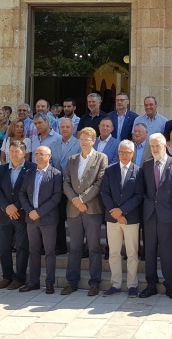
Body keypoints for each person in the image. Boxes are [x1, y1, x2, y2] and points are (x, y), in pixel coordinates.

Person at [62, 127, 108, 297]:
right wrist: (75, 199)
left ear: (93, 141)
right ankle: (71, 282)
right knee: (74, 248)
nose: (83, 142)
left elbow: (99, 182)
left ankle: (94, 282)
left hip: (92, 209)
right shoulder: (72, 159)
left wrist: (82, 200)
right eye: (81, 139)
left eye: (87, 139)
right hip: (73, 210)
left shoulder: (101, 158)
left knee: (94, 247)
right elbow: (66, 182)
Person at [139, 133, 172, 299]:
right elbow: (143, 190)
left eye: (157, 145)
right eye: (152, 146)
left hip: (168, 216)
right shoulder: (147, 165)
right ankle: (151, 285)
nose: (155, 149)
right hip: (150, 215)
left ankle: (170, 285)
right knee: (149, 251)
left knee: (167, 252)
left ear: (165, 146)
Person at [101, 139, 144, 297]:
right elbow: (104, 193)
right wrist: (115, 211)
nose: (124, 155)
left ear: (133, 154)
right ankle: (115, 284)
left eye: (127, 152)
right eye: (121, 152)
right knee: (113, 252)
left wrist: (122, 211)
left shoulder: (138, 171)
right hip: (112, 218)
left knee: (132, 253)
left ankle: (132, 284)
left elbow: (138, 196)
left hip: (130, 218)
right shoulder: (109, 170)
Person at [19, 145, 62, 294]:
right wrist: (30, 211)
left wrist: (40, 212)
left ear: (49, 156)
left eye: (41, 154)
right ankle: (34, 282)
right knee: (33, 251)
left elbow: (56, 197)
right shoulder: (30, 173)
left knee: (49, 252)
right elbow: (22, 194)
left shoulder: (56, 174)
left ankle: (49, 282)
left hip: (48, 219)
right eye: (36, 154)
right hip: (31, 219)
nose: (38, 156)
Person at [0, 140, 34, 290]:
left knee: (22, 247)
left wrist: (16, 207)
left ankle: (20, 278)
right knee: (4, 248)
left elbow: (30, 191)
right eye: (11, 152)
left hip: (21, 214)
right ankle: (7, 276)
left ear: (24, 153)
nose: (13, 155)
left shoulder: (31, 168)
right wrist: (6, 207)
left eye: (16, 152)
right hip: (4, 215)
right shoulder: (2, 169)